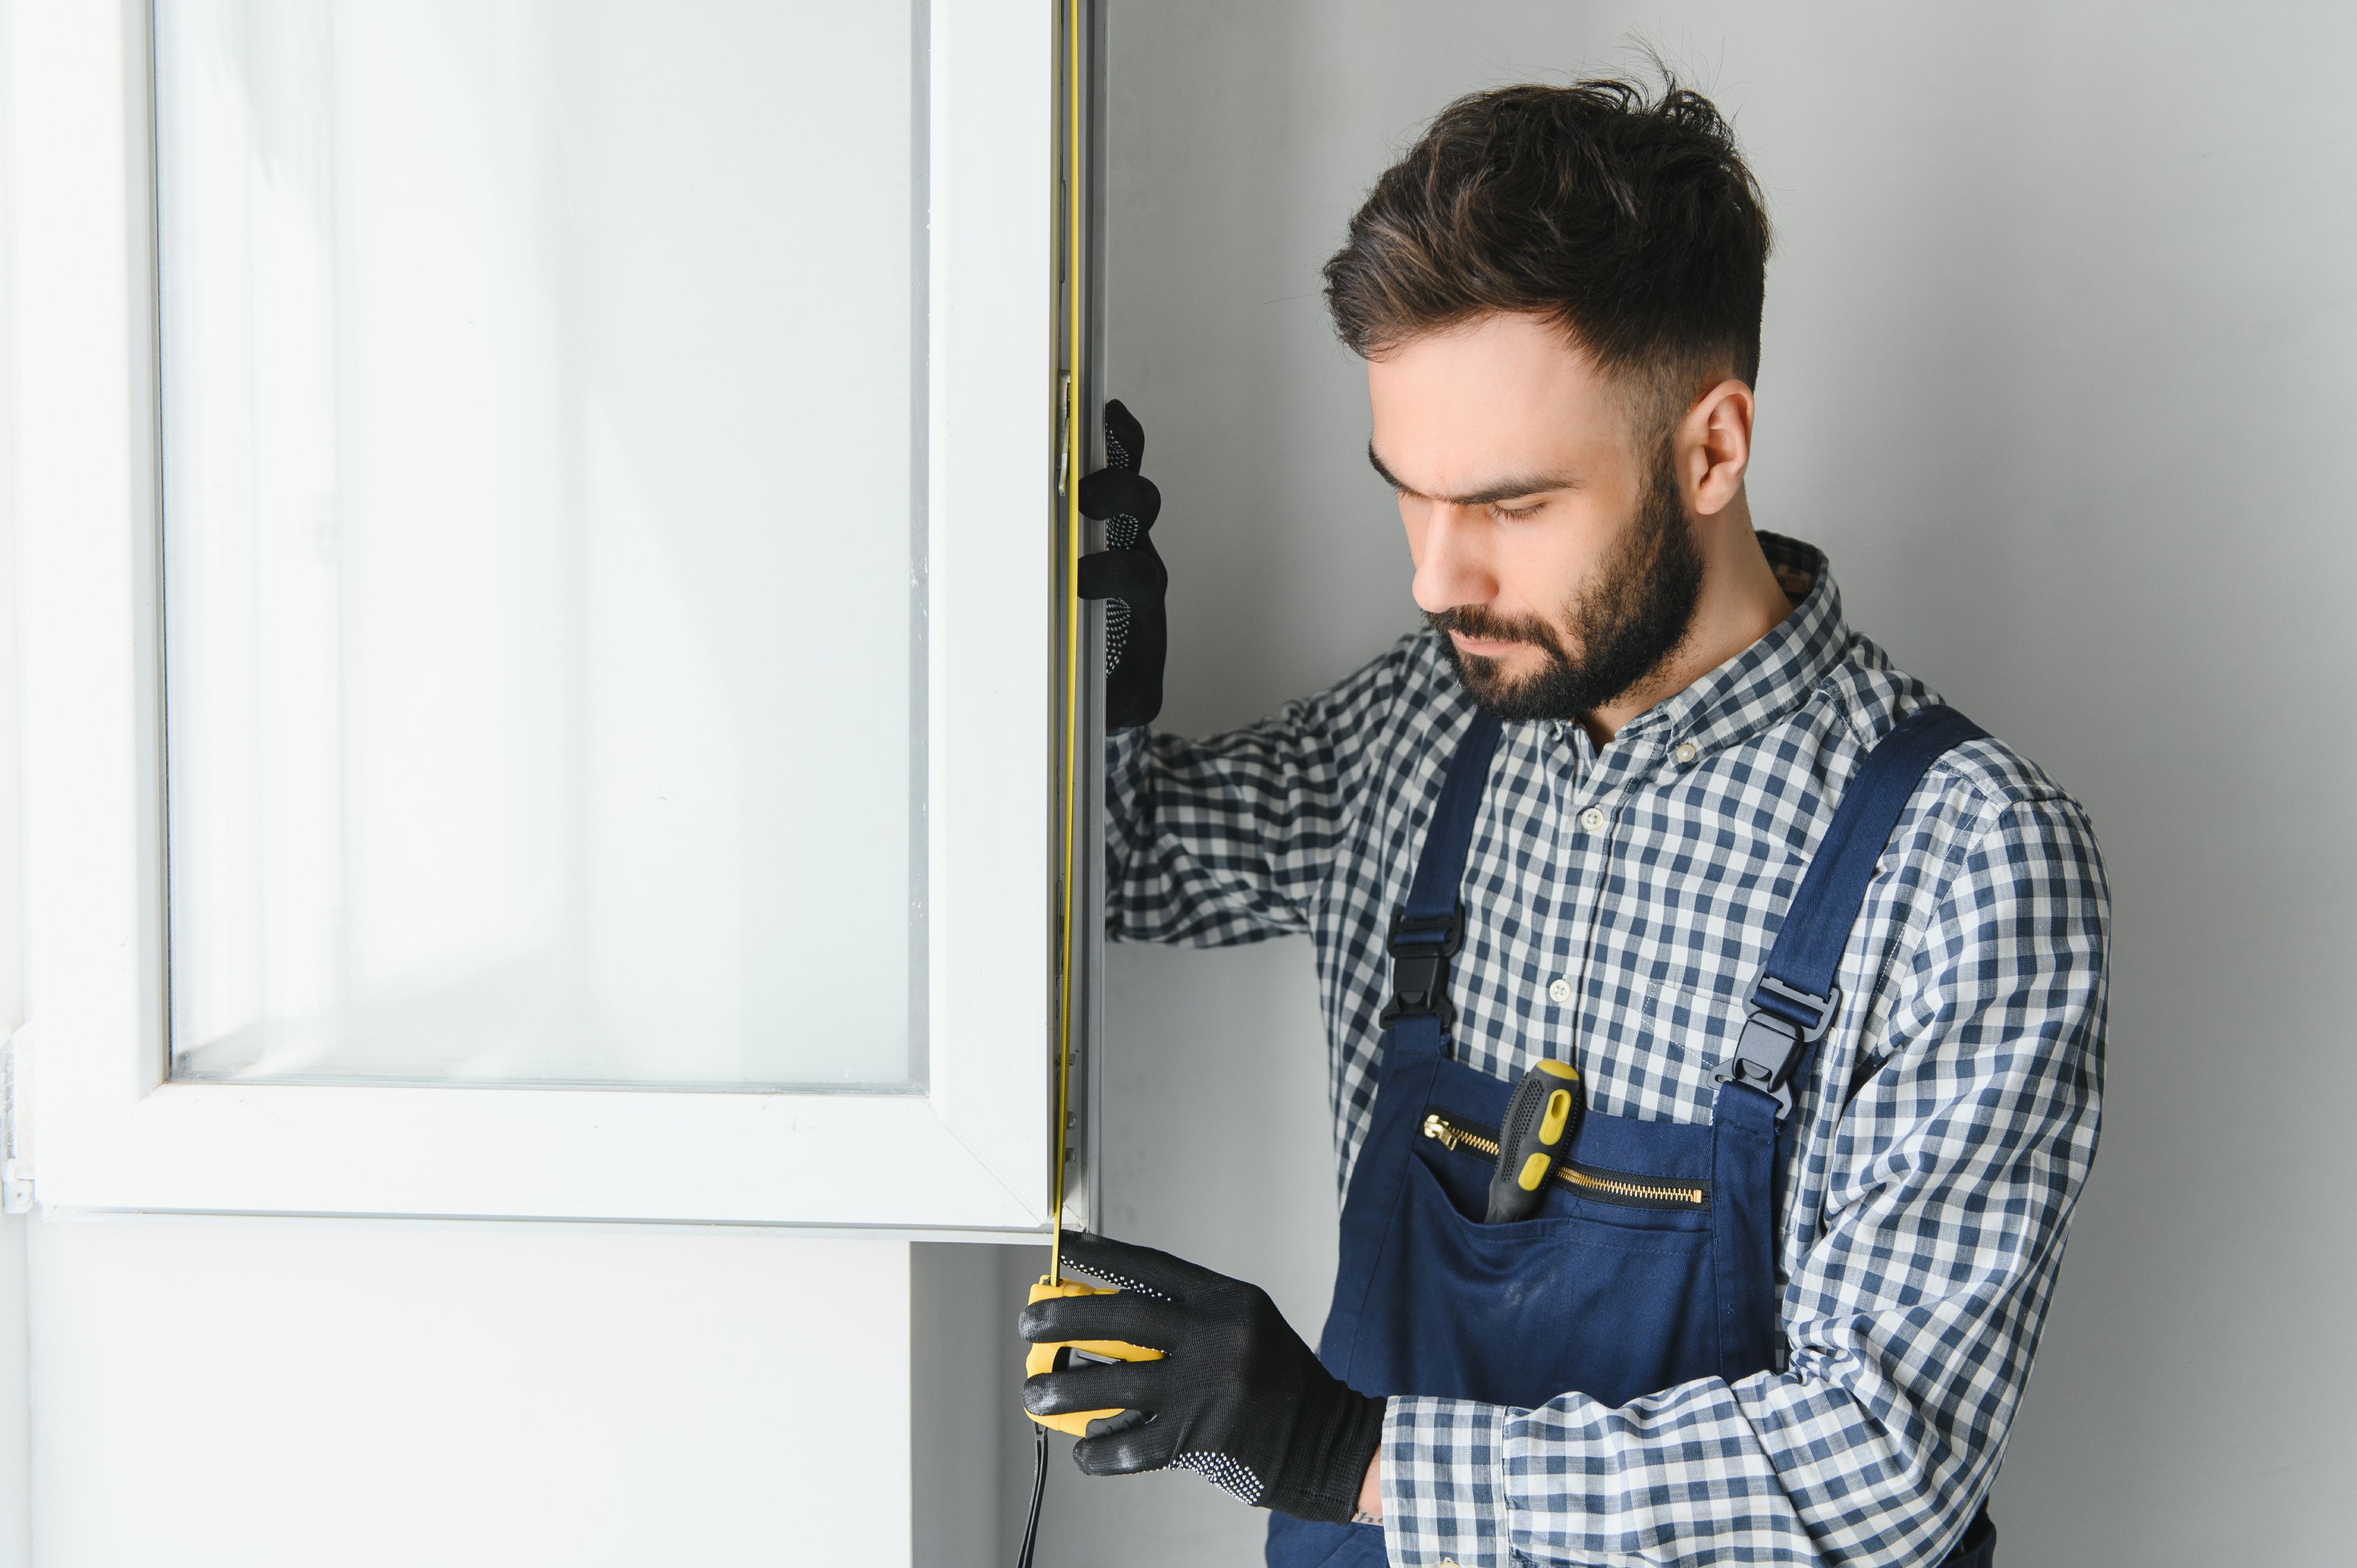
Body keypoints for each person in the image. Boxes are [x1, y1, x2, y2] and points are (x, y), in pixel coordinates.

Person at [1020, 76, 2107, 1568]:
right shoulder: (1431, 719)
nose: (1435, 580)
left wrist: (1342, 1451)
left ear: (1710, 450)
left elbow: (1885, 1468)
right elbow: (1127, 870)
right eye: (1411, 497)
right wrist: (1103, 683)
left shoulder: (1965, 859)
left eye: (1511, 508)